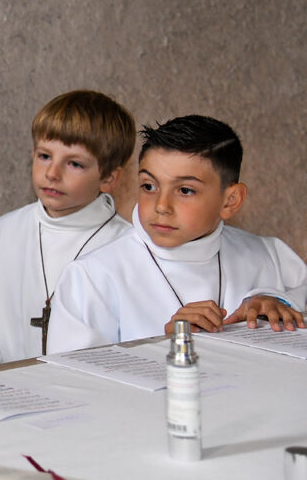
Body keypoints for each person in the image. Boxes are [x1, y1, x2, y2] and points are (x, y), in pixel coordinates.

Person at [48, 115, 307, 351]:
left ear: (230, 201)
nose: (161, 206)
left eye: (185, 190)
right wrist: (165, 348)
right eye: (149, 186)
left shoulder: (268, 256)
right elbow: (72, 378)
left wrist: (278, 302)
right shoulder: (92, 277)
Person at [0, 91, 136, 368]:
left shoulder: (128, 249)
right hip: (8, 390)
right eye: (44, 156)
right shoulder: (3, 234)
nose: (52, 173)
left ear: (109, 178)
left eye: (74, 164)